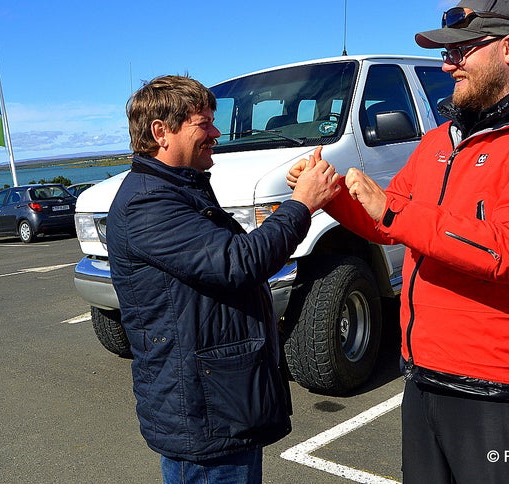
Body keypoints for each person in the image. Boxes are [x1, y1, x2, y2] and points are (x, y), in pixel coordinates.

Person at [287, 0, 509, 483]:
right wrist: (332, 196)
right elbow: (388, 225)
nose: (447, 65)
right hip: (424, 377)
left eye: (461, 51)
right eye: (446, 53)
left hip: (505, 392)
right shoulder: (441, 140)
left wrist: (389, 210)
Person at [107, 74, 340, 483]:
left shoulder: (181, 186)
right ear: (161, 132)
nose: (216, 133)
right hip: (202, 411)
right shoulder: (148, 202)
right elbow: (237, 262)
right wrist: (301, 203)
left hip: (221, 401)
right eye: (203, 124)